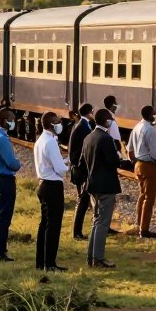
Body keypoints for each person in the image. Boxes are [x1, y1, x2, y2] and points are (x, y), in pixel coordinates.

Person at [83, 108, 130, 268]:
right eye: (110, 119)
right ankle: (98, 258)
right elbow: (113, 162)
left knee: (96, 221)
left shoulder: (88, 138)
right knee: (103, 222)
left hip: (93, 185)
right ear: (106, 121)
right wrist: (121, 159)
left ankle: (91, 257)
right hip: (106, 187)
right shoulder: (106, 139)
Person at [34, 111, 69, 271]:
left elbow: (52, 162)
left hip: (42, 184)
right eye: (57, 122)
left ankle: (41, 262)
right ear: (51, 124)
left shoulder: (40, 140)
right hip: (53, 186)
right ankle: (50, 263)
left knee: (44, 224)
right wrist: (68, 166)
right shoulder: (51, 142)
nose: (60, 124)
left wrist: (64, 161)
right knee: (54, 226)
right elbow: (60, 169)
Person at [0, 108, 21, 262]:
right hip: (5, 180)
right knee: (4, 218)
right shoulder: (2, 139)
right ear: (5, 120)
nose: (14, 122)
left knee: (0, 216)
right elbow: (12, 163)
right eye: (12, 119)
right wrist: (18, 163)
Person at [128, 105, 156, 238]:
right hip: (148, 165)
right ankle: (144, 229)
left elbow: (130, 149)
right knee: (149, 198)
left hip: (138, 164)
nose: (155, 116)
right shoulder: (151, 130)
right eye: (153, 114)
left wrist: (134, 162)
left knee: (142, 196)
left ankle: (139, 223)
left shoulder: (136, 127)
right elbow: (155, 153)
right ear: (149, 115)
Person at [69, 103, 94, 241]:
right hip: (82, 170)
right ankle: (77, 232)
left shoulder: (81, 125)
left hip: (80, 169)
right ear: (89, 112)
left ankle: (77, 231)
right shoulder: (83, 127)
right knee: (82, 200)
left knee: (83, 200)